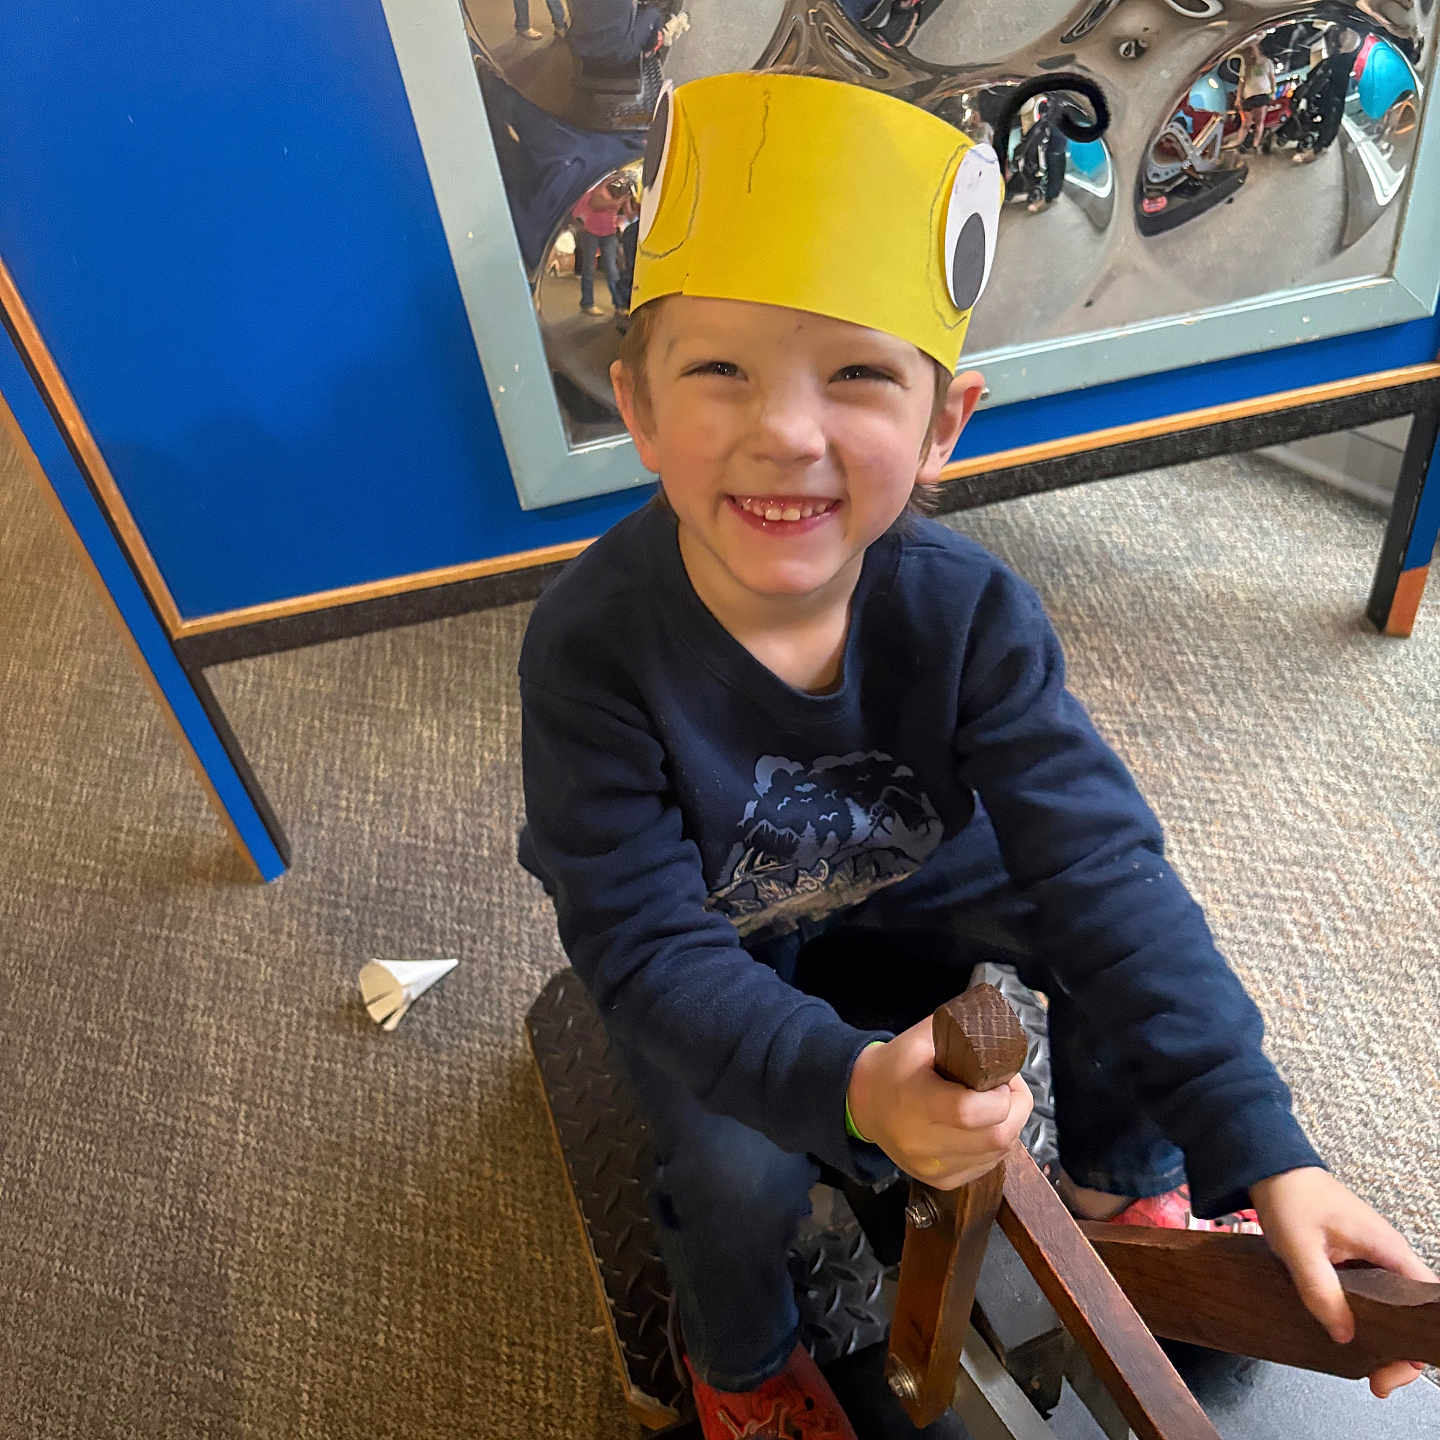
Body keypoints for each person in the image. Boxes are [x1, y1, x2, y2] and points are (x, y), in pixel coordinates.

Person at [517, 72, 1433, 1440]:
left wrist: (1262, 1144)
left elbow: (1103, 866)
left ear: (944, 426)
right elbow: (643, 949)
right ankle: (742, 1366)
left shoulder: (971, 609)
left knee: (1094, 930)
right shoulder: (588, 649)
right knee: (735, 1172)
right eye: (720, 371)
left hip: (911, 882)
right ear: (637, 410)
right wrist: (846, 1089)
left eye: (858, 376)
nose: (787, 431)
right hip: (712, 942)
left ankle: (1131, 1184)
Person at [571, 175, 631, 315]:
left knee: (612, 269)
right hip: (591, 233)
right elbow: (595, 205)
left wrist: (628, 201)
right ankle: (587, 303)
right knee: (589, 268)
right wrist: (618, 199)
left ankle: (620, 305)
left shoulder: (619, 191)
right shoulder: (597, 190)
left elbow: (630, 215)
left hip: (609, 233)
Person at [1235, 42, 1277, 154]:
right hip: (1248, 96)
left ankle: (1255, 145)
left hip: (1262, 95)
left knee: (1259, 122)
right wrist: (1238, 97)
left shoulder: (1267, 62)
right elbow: (1241, 82)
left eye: (1252, 50)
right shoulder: (1245, 65)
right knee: (1246, 123)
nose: (1250, 53)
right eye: (1248, 51)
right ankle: (1239, 143)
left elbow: (1272, 78)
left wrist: (1273, 92)